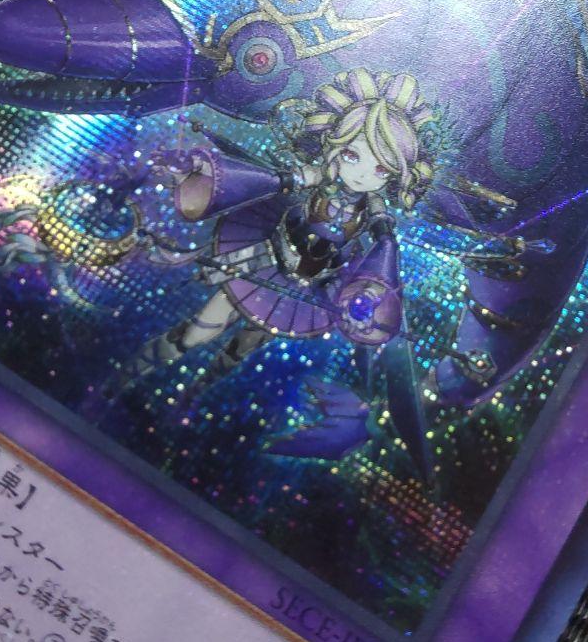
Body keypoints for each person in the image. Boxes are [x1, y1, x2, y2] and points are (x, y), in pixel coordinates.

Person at [104, 69, 437, 401]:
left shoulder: (374, 208)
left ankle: (196, 394)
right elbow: (274, 180)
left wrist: (371, 297)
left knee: (244, 346)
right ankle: (129, 374)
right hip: (263, 262)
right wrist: (202, 176)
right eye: (353, 155)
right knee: (199, 332)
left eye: (381, 169)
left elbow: (384, 246)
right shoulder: (318, 176)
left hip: (309, 288)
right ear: (333, 144)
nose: (364, 175)